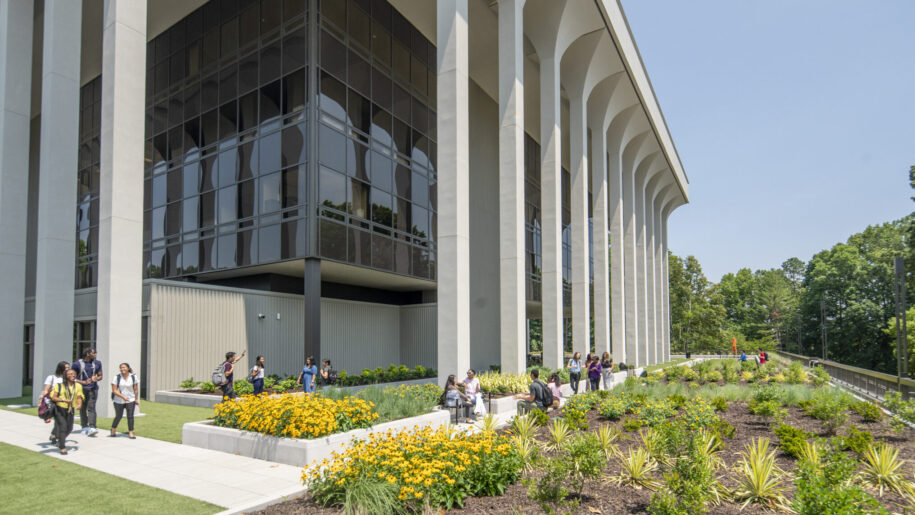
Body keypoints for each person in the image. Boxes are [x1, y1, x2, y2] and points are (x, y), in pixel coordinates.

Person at [50, 369, 84, 455]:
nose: (72, 375)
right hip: (60, 409)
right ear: (66, 376)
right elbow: (54, 398)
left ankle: (61, 440)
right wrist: (63, 400)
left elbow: (79, 396)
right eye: (70, 374)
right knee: (63, 427)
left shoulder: (78, 386)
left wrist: (79, 404)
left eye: (73, 373)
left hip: (70, 409)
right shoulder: (59, 386)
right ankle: (62, 447)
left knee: (70, 428)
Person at [71, 348, 102, 436]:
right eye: (94, 353)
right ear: (88, 354)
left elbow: (100, 375)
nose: (95, 354)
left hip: (93, 388)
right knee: (82, 408)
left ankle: (92, 427)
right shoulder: (77, 364)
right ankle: (84, 426)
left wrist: (96, 378)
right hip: (81, 389)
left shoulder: (97, 363)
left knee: (91, 407)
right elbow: (73, 378)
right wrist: (83, 382)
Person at [42, 361, 69, 444]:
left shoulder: (68, 378)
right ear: (60, 369)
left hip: (65, 402)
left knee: (63, 421)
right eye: (66, 368)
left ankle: (54, 434)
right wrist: (44, 401)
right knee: (59, 420)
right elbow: (46, 390)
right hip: (54, 402)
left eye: (68, 367)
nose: (68, 369)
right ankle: (57, 437)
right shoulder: (52, 378)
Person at [109, 363, 139, 439]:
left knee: (130, 416)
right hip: (118, 400)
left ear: (128, 368)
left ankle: (131, 432)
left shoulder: (133, 377)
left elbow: (135, 389)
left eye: (124, 367)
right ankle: (113, 429)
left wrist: (136, 399)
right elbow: (114, 390)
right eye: (121, 368)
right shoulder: (117, 377)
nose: (122, 369)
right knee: (118, 416)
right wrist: (123, 397)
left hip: (130, 399)